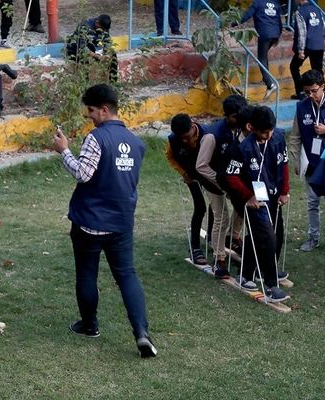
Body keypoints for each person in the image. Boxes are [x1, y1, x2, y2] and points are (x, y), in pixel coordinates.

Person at [52, 84, 157, 358]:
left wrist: (64, 150)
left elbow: (83, 174)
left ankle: (89, 326)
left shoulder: (96, 138)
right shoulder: (136, 142)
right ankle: (141, 333)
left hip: (90, 221)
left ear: (104, 109)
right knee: (127, 275)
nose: (90, 116)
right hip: (122, 222)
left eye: (91, 111)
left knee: (87, 273)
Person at [224, 106, 290, 302]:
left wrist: (284, 191)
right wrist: (248, 197)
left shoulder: (278, 137)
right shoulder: (241, 148)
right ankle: (271, 285)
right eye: (263, 132)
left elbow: (283, 163)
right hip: (255, 200)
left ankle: (244, 275)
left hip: (273, 194)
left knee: (273, 234)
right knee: (267, 236)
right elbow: (231, 176)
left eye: (270, 131)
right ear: (251, 127)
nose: (268, 135)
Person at [288, 69, 325, 254]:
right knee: (312, 202)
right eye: (307, 92)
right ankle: (313, 237)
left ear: (322, 86)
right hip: (310, 162)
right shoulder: (301, 107)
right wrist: (297, 160)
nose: (311, 95)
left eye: (314, 90)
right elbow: (295, 137)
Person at [196, 95, 248, 278]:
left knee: (242, 208)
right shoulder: (212, 135)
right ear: (227, 116)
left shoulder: (241, 128)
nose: (240, 120)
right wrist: (221, 182)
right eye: (235, 117)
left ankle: (234, 238)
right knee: (221, 217)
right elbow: (201, 165)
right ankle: (219, 259)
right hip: (213, 181)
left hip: (232, 178)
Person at [166, 113, 213, 266]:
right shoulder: (174, 140)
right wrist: (184, 173)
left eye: (187, 137)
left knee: (216, 206)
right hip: (191, 175)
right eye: (182, 139)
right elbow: (171, 157)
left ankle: (213, 237)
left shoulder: (208, 134)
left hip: (209, 173)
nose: (185, 141)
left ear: (193, 127)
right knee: (200, 207)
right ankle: (195, 248)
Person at [236, 0, 282, 99]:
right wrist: (278, 35)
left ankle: (270, 84)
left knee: (261, 58)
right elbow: (279, 20)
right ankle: (266, 78)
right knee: (264, 56)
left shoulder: (257, 3)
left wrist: (234, 23)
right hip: (275, 33)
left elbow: (247, 15)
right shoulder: (275, 4)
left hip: (264, 33)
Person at [289, 0, 325, 100]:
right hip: (319, 44)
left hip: (307, 45)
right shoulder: (317, 10)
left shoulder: (300, 12)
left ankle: (301, 91)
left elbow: (302, 31)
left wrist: (301, 50)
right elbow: (324, 27)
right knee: (318, 70)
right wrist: (323, 41)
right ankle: (323, 93)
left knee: (294, 67)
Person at [66, 14, 118, 83]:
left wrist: (106, 54)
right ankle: (85, 85)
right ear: (97, 23)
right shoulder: (85, 26)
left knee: (113, 54)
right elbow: (82, 48)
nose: (103, 31)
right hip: (75, 50)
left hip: (92, 48)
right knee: (85, 59)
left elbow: (107, 42)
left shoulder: (104, 27)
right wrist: (97, 56)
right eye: (102, 29)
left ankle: (113, 83)